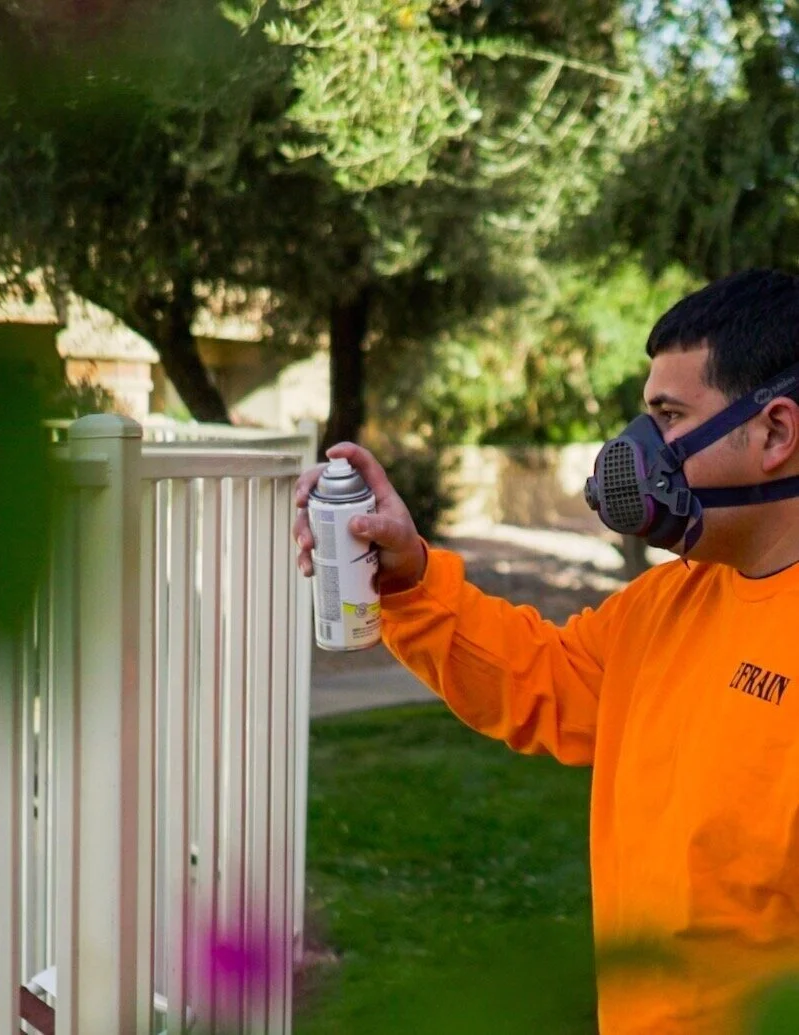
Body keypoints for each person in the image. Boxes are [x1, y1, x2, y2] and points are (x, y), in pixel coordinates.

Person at [291, 268, 799, 1035]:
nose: (636, 449)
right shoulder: (667, 602)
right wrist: (407, 579)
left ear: (776, 433)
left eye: (668, 416)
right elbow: (539, 679)